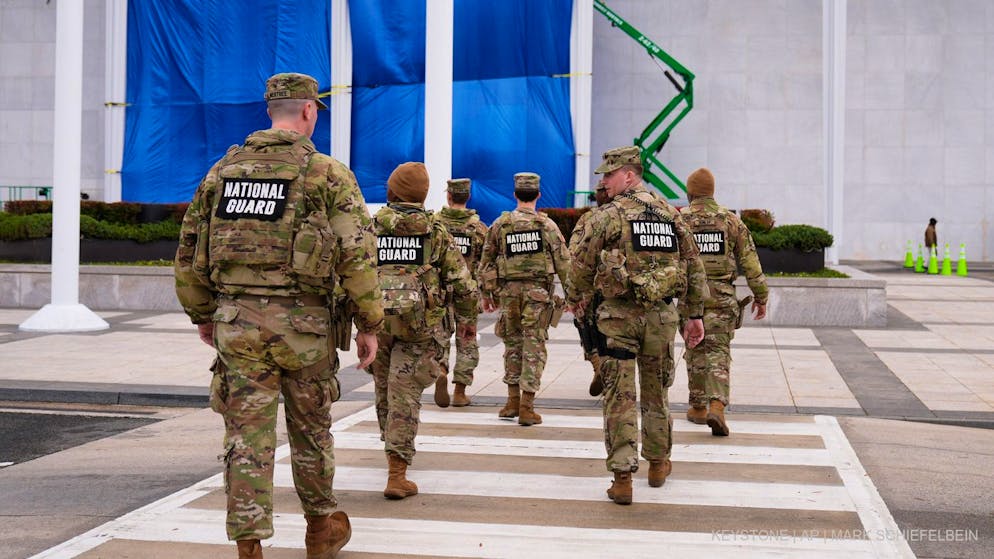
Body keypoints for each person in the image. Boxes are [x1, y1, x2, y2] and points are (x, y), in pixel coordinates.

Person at [174, 72, 382, 559]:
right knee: (311, 431)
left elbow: (188, 250)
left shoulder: (222, 172)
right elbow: (358, 255)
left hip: (237, 328)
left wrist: (204, 314)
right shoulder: (327, 173)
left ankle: (249, 545)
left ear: (271, 111)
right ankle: (320, 530)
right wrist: (369, 323)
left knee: (247, 435)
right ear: (309, 111)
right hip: (305, 330)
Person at [569, 146, 707, 505]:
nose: (603, 181)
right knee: (656, 394)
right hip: (661, 319)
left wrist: (577, 298)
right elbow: (693, 266)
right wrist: (694, 315)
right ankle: (659, 463)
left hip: (618, 320)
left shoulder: (609, 216)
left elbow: (581, 265)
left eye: (608, 175)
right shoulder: (671, 215)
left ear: (628, 175)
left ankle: (623, 478)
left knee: (620, 398)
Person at [367, 162, 479, 499]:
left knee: (384, 391)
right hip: (422, 326)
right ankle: (397, 472)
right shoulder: (436, 232)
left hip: (380, 322)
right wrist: (468, 322)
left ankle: (391, 452)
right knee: (406, 395)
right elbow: (463, 284)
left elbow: (352, 272)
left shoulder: (371, 227)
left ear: (392, 190)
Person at [679, 168, 768, 436]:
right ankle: (716, 405)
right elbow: (751, 262)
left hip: (689, 298)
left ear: (690, 191)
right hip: (722, 298)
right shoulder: (730, 221)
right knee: (718, 352)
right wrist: (761, 296)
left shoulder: (680, 219)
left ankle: (697, 406)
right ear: (712, 191)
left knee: (694, 346)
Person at [478, 173, 573, 426]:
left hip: (508, 295)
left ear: (515, 195)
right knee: (534, 346)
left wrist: (487, 295)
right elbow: (564, 264)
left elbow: (486, 262)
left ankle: (511, 401)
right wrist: (573, 297)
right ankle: (527, 406)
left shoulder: (501, 224)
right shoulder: (547, 226)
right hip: (538, 295)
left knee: (512, 345)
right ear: (538, 195)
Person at [433, 178, 489, 407]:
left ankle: (441, 370)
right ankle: (460, 391)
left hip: (440, 291)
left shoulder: (435, 224)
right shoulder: (478, 228)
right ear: (467, 197)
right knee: (467, 340)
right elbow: (486, 263)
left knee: (440, 336)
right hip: (467, 292)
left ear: (449, 196)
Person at [570, 182, 611, 398]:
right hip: (616, 288)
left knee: (585, 325)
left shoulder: (588, 219)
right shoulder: (623, 216)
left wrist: (574, 293)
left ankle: (598, 366)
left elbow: (574, 254)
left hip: (590, 286)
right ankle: (609, 370)